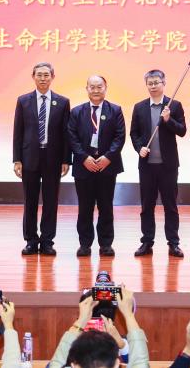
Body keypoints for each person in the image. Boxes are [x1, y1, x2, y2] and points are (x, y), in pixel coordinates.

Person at [13, 62, 71, 256]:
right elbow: (18, 132)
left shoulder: (62, 102)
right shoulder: (23, 101)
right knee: (30, 200)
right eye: (39, 75)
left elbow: (65, 134)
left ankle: (47, 241)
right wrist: (17, 159)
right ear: (33, 77)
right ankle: (31, 240)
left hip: (53, 158)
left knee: (50, 201)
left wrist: (66, 159)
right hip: (29, 157)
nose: (43, 78)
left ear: (52, 77)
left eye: (46, 75)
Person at [130, 69, 187, 258]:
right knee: (147, 206)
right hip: (147, 166)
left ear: (164, 83)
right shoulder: (139, 107)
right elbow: (134, 133)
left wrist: (169, 120)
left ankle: (173, 243)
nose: (153, 86)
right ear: (146, 85)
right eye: (150, 83)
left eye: (157, 82)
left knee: (170, 206)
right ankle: (147, 242)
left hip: (168, 166)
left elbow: (182, 131)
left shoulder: (174, 105)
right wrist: (139, 148)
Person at [67, 75, 126, 257]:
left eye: (99, 86)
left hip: (107, 167)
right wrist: (84, 157)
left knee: (106, 207)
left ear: (105, 88)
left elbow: (120, 137)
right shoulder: (77, 112)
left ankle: (106, 245)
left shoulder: (115, 110)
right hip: (83, 167)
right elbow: (72, 137)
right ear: (87, 89)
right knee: (85, 207)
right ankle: (85, 245)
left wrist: (108, 157)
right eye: (92, 87)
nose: (95, 90)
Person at [47, 286, 149, 368]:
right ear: (116, 364)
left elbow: (56, 363)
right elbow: (139, 361)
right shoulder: (118, 345)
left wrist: (80, 322)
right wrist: (128, 315)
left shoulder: (77, 348)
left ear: (74, 366)